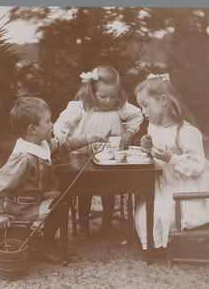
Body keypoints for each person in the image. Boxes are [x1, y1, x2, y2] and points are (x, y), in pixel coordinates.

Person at [0, 97, 104, 263]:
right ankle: (43, 245)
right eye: (47, 121)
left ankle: (43, 240)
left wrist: (89, 138)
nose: (52, 124)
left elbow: (63, 145)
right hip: (18, 207)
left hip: (31, 201)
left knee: (62, 198)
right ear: (33, 128)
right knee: (59, 206)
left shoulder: (41, 144)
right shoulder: (24, 158)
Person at [134, 73, 209, 250]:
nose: (143, 111)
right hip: (164, 185)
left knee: (156, 216)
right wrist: (148, 147)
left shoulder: (184, 131)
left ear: (163, 100)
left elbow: (197, 164)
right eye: (141, 107)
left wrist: (171, 158)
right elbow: (158, 155)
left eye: (146, 105)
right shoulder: (154, 126)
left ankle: (160, 245)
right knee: (143, 213)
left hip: (184, 189)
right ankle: (155, 243)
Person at [54, 66, 143, 237]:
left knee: (108, 189)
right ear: (91, 92)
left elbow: (137, 115)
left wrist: (129, 131)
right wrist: (62, 138)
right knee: (84, 190)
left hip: (109, 157)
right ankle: (83, 223)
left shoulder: (119, 107)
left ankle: (107, 223)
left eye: (113, 96)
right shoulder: (81, 107)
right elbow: (61, 123)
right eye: (103, 96)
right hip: (82, 156)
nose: (108, 101)